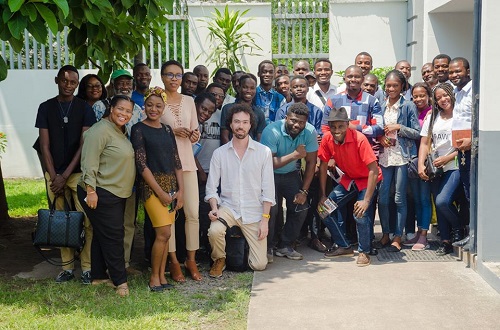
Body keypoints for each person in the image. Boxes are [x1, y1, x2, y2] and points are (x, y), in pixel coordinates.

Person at [35, 65, 95, 284]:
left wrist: (65, 175)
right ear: (56, 80)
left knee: (86, 220)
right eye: (64, 81)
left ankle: (87, 268)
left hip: (78, 174)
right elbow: (44, 145)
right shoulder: (45, 107)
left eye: (73, 82)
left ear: (77, 84)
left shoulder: (84, 108)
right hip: (54, 175)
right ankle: (67, 268)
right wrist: (54, 176)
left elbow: (84, 144)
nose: (68, 85)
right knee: (59, 221)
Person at [205, 104, 275, 277]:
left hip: (253, 211)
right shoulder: (220, 153)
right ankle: (219, 259)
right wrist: (214, 208)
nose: (240, 126)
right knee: (214, 230)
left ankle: (247, 253)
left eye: (245, 122)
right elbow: (211, 188)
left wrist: (265, 221)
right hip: (229, 208)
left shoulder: (263, 152)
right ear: (230, 124)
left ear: (251, 125)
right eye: (237, 122)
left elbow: (268, 190)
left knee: (259, 265)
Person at [77, 95, 135, 296]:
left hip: (114, 191)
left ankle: (99, 276)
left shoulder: (119, 130)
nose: (124, 114)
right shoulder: (99, 131)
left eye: (128, 111)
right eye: (121, 109)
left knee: (103, 234)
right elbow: (88, 163)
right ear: (111, 108)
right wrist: (91, 191)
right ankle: (120, 282)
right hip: (99, 191)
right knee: (113, 236)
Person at [131, 87, 184, 292]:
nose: (154, 109)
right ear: (144, 106)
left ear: (164, 108)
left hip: (171, 186)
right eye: (150, 105)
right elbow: (141, 165)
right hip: (152, 187)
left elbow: (176, 161)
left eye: (158, 106)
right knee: (162, 233)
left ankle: (162, 276)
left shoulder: (167, 129)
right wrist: (160, 193)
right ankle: (154, 278)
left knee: (167, 235)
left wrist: (181, 191)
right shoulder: (138, 129)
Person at [92, 69, 145, 276]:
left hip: (129, 173)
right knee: (106, 225)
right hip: (106, 175)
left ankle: (123, 263)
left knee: (128, 222)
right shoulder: (100, 107)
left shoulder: (138, 109)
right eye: (120, 82)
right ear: (112, 84)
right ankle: (100, 267)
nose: (125, 86)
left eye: (128, 82)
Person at [318, 107, 382, 266]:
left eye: (340, 126)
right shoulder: (327, 139)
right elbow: (323, 166)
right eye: (333, 126)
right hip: (350, 178)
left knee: (359, 214)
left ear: (347, 125)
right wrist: (323, 195)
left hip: (368, 179)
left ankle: (364, 251)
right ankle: (343, 245)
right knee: (323, 209)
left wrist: (366, 201)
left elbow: (373, 170)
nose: (336, 130)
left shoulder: (359, 138)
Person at [160, 60, 202, 281]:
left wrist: (194, 135)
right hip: (166, 167)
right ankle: (174, 261)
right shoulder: (157, 99)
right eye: (170, 75)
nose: (174, 79)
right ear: (162, 76)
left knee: (192, 213)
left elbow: (196, 132)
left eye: (178, 75)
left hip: (187, 163)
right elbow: (153, 129)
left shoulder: (189, 101)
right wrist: (172, 131)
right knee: (170, 215)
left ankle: (191, 259)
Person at [261, 103, 318, 261]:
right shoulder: (271, 131)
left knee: (301, 207)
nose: (297, 125)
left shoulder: (310, 132)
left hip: (290, 174)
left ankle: (285, 245)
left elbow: (312, 163)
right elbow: (268, 163)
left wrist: (304, 191)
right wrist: (294, 156)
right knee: (272, 210)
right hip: (269, 175)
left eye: (301, 122)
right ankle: (268, 247)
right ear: (286, 117)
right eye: (293, 120)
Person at [374, 70, 421, 252]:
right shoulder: (380, 105)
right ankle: (385, 233)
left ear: (402, 86)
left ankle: (398, 237)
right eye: (388, 85)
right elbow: (376, 128)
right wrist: (380, 139)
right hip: (385, 157)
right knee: (383, 198)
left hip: (402, 157)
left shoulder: (408, 105)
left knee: (400, 198)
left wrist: (399, 127)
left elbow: (417, 132)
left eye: (395, 85)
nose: (391, 88)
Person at [418, 83, 460, 256]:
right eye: (439, 98)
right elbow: (425, 142)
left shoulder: (460, 116)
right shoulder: (432, 116)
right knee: (438, 203)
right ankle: (446, 241)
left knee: (443, 201)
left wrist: (447, 158)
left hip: (455, 165)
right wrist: (421, 164)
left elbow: (464, 144)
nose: (443, 99)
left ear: (452, 94)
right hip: (435, 167)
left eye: (446, 95)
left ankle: (458, 229)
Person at [402, 82, 433, 250]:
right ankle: (417, 233)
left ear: (429, 96)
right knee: (415, 199)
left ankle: (423, 236)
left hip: (426, 161)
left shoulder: (432, 113)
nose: (419, 99)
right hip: (412, 161)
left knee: (424, 198)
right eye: (416, 96)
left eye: (422, 95)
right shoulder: (412, 110)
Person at [449, 57, 473, 249]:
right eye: (452, 72)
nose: (454, 75)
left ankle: (475, 236)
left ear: (467, 71)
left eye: (458, 71)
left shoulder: (474, 91)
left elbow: (481, 118)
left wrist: (472, 139)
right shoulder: (457, 93)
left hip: (473, 149)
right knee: (467, 193)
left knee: (472, 193)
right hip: (461, 149)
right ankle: (471, 233)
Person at [193, 93, 218, 251]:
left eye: (209, 112)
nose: (206, 113)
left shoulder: (200, 124)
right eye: (203, 108)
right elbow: (188, 151)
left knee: (202, 210)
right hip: (195, 172)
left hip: (204, 171)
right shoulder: (191, 123)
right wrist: (201, 171)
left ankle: (200, 246)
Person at [220, 74, 266, 144]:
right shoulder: (228, 109)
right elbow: (224, 136)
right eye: (245, 87)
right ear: (239, 88)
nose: (248, 91)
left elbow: (259, 139)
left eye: (252, 88)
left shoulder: (259, 113)